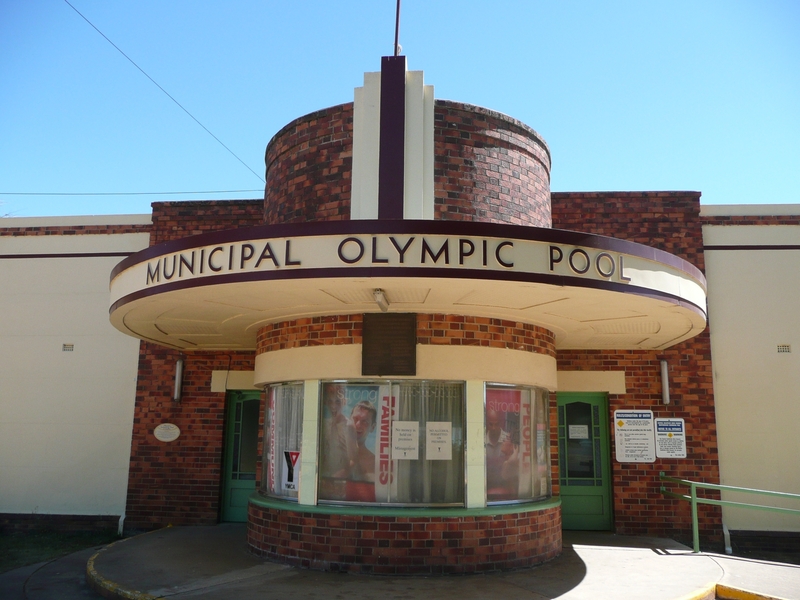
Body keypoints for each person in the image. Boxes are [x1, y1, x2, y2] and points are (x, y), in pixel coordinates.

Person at [320, 383, 349, 479]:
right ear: (326, 403)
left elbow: (355, 461)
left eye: (337, 402)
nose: (333, 406)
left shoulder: (349, 427)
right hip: (324, 478)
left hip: (342, 479)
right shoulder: (323, 424)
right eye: (330, 401)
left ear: (344, 402)